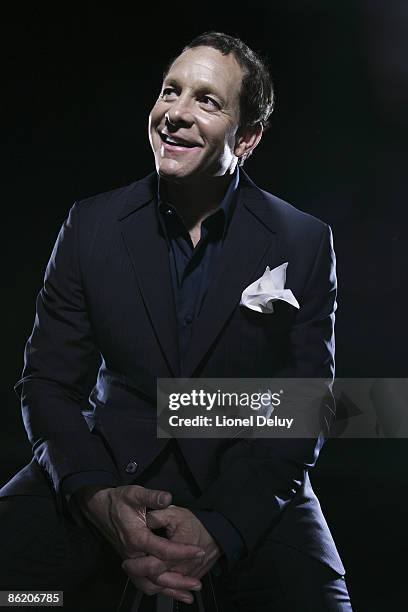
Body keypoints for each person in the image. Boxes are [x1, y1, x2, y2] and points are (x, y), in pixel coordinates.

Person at [0, 32, 352, 611]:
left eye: (207, 101)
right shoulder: (89, 226)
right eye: (170, 91)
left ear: (249, 138)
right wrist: (97, 498)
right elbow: (48, 384)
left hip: (243, 479)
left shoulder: (303, 241)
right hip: (108, 466)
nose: (176, 114)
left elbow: (304, 403)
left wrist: (223, 526)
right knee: (17, 597)